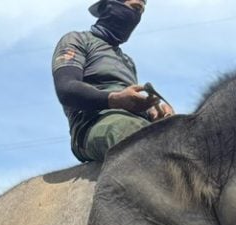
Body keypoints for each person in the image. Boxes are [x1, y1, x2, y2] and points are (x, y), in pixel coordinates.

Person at [51, 0, 174, 163]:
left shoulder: (127, 61)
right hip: (93, 124)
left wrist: (154, 112)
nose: (136, 17)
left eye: (141, 13)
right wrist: (114, 100)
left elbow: (131, 100)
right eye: (135, 8)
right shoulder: (78, 39)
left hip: (136, 121)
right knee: (130, 133)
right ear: (111, 5)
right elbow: (66, 89)